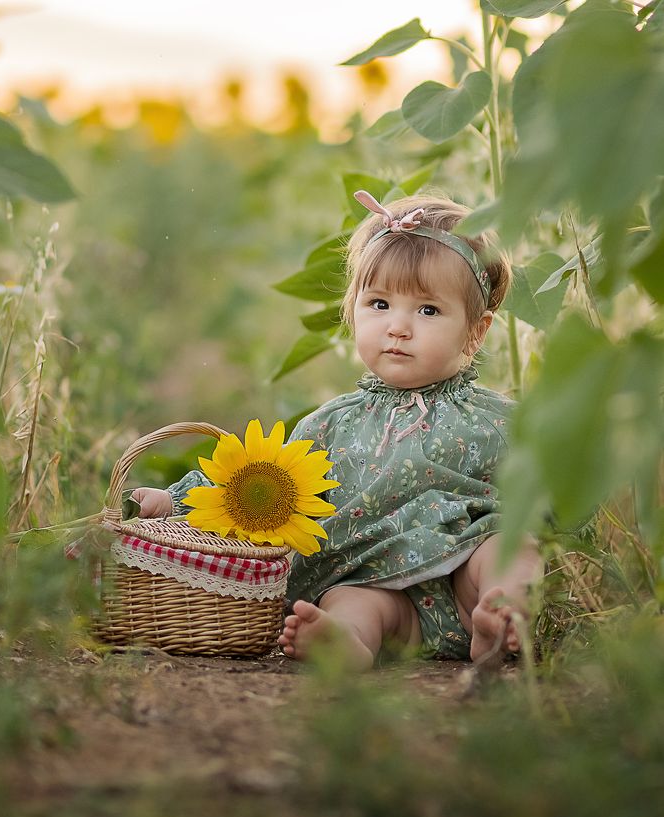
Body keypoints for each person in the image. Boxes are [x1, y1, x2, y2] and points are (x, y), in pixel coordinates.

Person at [132, 190, 543, 668]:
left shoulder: (497, 420)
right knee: (349, 600)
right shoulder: (333, 422)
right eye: (380, 303)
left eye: (428, 310)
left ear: (476, 331)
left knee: (509, 547)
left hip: (464, 588)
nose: (398, 327)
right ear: (353, 310)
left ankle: (504, 616)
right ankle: (347, 641)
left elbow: (552, 476)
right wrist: (174, 501)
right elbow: (261, 476)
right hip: (385, 597)